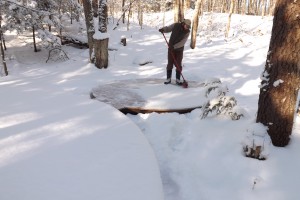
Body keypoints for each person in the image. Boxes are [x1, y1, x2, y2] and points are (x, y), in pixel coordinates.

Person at [159, 19, 191, 85]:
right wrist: (163, 29)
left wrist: (174, 47)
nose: (187, 28)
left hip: (179, 49)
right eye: (186, 26)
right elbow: (168, 28)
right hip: (171, 48)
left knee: (178, 64)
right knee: (170, 63)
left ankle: (178, 79)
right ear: (183, 23)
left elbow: (183, 42)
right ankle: (168, 79)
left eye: (188, 27)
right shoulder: (176, 25)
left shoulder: (187, 32)